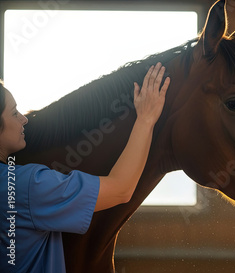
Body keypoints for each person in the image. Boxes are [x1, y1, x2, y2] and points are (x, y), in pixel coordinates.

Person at [0, 62, 170, 273]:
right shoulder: (23, 186)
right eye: (14, 113)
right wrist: (146, 119)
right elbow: (121, 189)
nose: (24, 119)